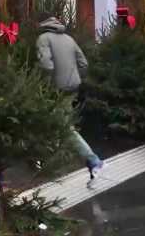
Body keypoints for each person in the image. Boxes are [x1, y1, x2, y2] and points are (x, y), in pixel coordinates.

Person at [36, 14, 104, 180]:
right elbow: (84, 64)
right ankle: (52, 159)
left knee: (64, 127)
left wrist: (47, 83)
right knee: (56, 120)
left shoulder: (43, 39)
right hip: (73, 87)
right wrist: (74, 77)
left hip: (56, 89)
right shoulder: (69, 39)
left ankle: (93, 160)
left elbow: (45, 64)